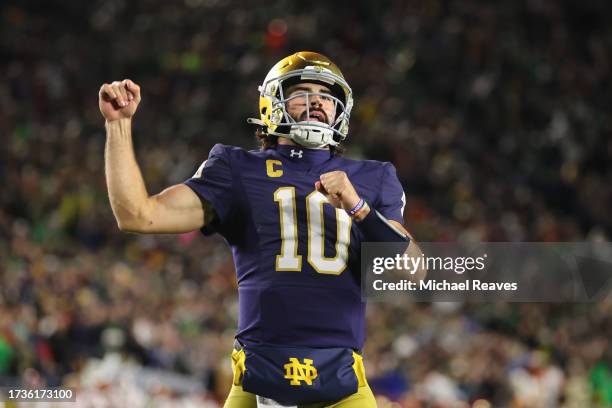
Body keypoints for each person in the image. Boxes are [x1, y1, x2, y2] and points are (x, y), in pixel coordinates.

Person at [99, 51, 418, 407]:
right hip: (259, 376)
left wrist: (359, 208)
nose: (317, 103)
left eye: (326, 96)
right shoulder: (237, 168)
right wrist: (118, 126)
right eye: (302, 93)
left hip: (342, 380)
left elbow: (413, 270)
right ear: (272, 103)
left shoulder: (373, 177)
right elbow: (138, 215)